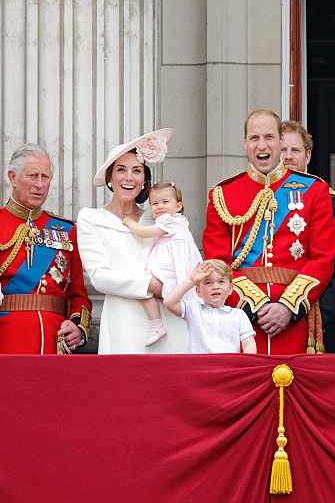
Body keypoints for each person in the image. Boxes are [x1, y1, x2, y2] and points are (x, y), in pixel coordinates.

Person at [202, 109, 335, 354]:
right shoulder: (223, 194)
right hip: (241, 319)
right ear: (245, 143)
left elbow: (323, 259)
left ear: (281, 141)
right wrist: (256, 306)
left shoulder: (314, 190)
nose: (261, 145)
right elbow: (217, 262)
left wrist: (287, 307)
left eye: (269, 137)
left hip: (295, 319)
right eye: (254, 138)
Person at [77, 128, 189, 354]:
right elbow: (99, 277)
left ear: (144, 179)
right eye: (121, 170)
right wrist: (152, 286)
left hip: (171, 320)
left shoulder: (159, 218)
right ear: (110, 177)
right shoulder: (91, 218)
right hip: (124, 323)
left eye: (136, 170)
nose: (129, 177)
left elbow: (184, 256)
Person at [0, 143, 92, 354]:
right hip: (7, 340)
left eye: (45, 177)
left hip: (55, 342)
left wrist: (77, 327)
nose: (39, 184)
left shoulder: (67, 230)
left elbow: (79, 295)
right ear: (12, 178)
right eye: (33, 176)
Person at [280, 120, 335, 354]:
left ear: (308, 156)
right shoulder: (256, 203)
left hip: (316, 325)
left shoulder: (333, 203)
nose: (288, 156)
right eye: (282, 150)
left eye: (295, 150)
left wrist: (309, 316)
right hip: (263, 322)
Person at [123, 181, 202, 346]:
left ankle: (156, 324)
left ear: (178, 206)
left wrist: (129, 222)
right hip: (170, 264)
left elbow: (142, 232)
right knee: (143, 287)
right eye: (154, 203)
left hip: (174, 268)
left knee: (142, 285)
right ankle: (156, 325)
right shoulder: (173, 221)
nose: (159, 206)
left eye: (165, 202)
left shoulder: (170, 220)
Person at [164, 260, 257, 354]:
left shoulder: (239, 315)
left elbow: (249, 344)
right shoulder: (193, 309)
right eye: (208, 283)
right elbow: (169, 302)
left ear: (230, 289)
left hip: (228, 366)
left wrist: (247, 366)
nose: (215, 286)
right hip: (200, 366)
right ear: (198, 291)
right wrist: (191, 281)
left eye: (221, 281)